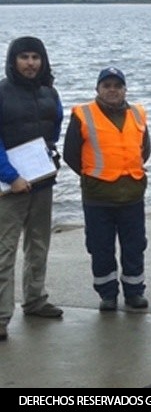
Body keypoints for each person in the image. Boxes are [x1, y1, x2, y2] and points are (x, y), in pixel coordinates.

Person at [64, 67, 151, 312]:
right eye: (107, 86)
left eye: (117, 85)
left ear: (124, 89)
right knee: (100, 247)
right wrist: (93, 176)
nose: (112, 90)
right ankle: (107, 294)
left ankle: (134, 291)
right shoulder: (83, 114)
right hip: (98, 197)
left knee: (135, 246)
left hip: (132, 194)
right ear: (98, 89)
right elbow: (71, 154)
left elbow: (145, 148)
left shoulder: (138, 113)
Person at [0, 37, 64, 341]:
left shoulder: (49, 92)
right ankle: (0, 316)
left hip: (41, 181)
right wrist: (10, 176)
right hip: (7, 187)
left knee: (38, 243)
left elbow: (54, 128)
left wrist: (48, 157)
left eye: (35, 57)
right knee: (4, 251)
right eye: (24, 57)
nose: (30, 63)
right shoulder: (1, 92)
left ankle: (35, 299)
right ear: (13, 61)